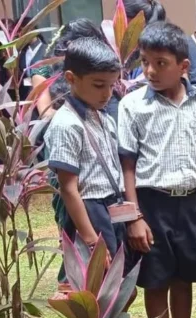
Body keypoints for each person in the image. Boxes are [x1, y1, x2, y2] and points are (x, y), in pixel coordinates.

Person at [118, 22, 196, 318]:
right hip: (151, 204)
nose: (150, 71)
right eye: (145, 61)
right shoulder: (133, 105)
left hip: (189, 204)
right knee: (156, 279)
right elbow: (127, 166)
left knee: (183, 276)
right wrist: (134, 216)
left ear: (183, 66)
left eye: (160, 63)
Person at [46, 38, 129, 287]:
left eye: (111, 85)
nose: (107, 93)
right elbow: (68, 188)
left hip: (111, 207)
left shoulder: (102, 116)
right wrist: (92, 240)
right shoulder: (66, 124)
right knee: (94, 287)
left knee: (117, 287)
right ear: (71, 78)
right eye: (98, 85)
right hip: (89, 212)